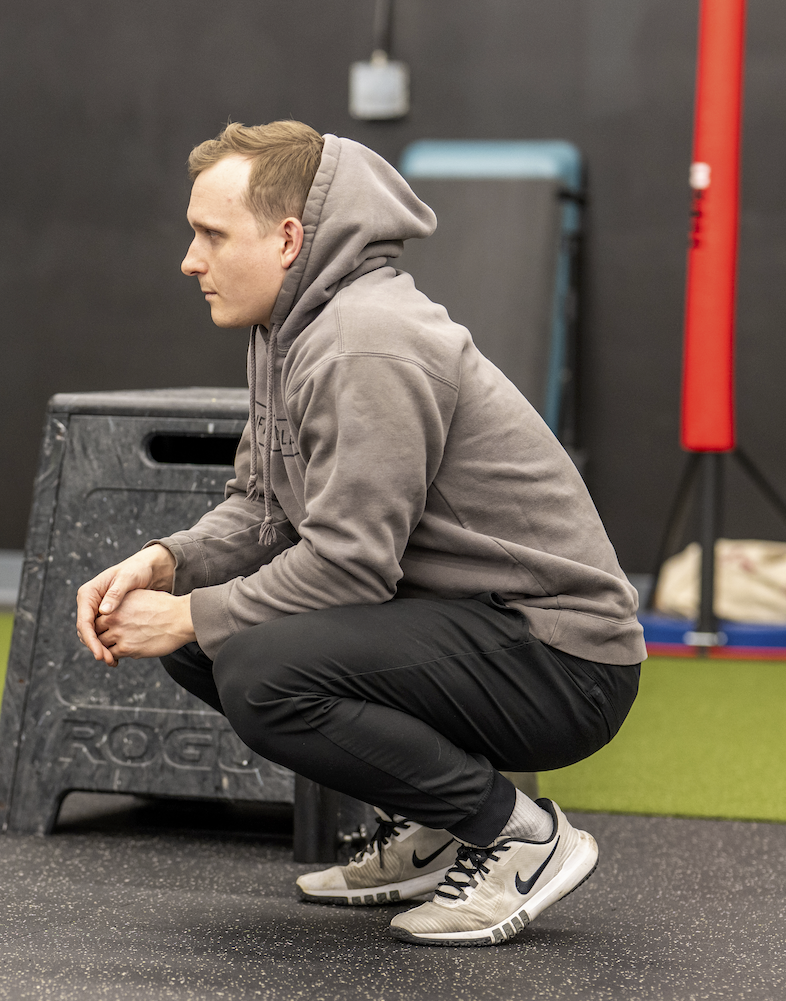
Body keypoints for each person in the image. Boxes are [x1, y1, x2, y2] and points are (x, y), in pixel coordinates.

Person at [74, 120, 643, 947]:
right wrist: (167, 565)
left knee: (257, 669)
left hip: (561, 659)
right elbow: (265, 510)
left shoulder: (362, 343)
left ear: (287, 239)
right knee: (207, 637)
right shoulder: (292, 329)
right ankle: (437, 827)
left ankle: (519, 838)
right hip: (469, 625)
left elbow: (348, 567)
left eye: (211, 235)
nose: (189, 261)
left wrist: (189, 615)